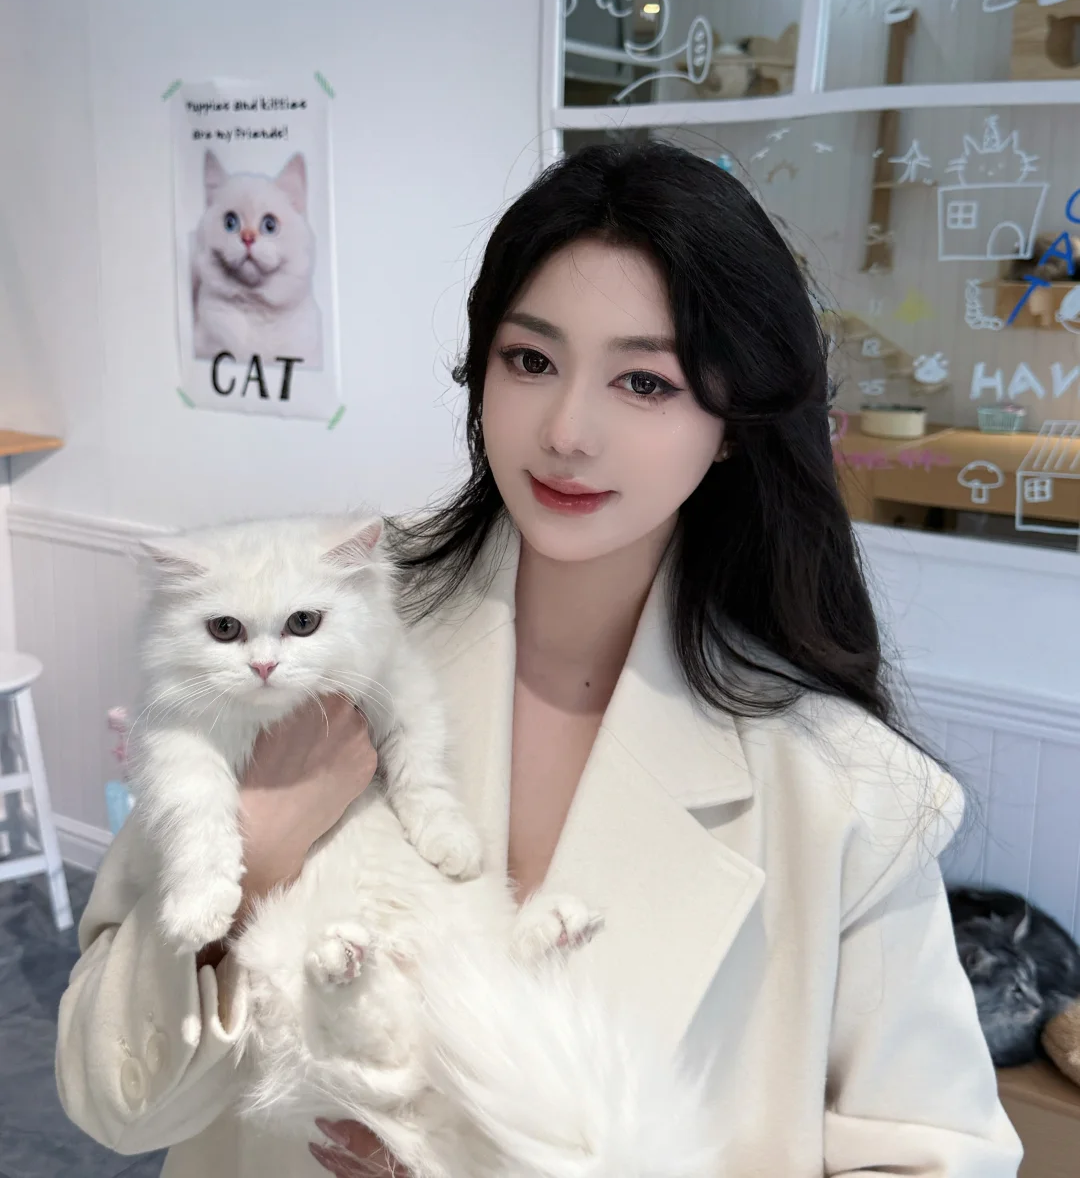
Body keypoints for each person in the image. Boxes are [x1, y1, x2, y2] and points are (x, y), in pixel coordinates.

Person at [56, 141, 1023, 1177]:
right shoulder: (309, 627)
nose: (567, 430)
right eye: (530, 361)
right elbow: (112, 1099)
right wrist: (260, 850)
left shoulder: (843, 791)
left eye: (644, 381)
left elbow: (936, 1155)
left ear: (734, 424)